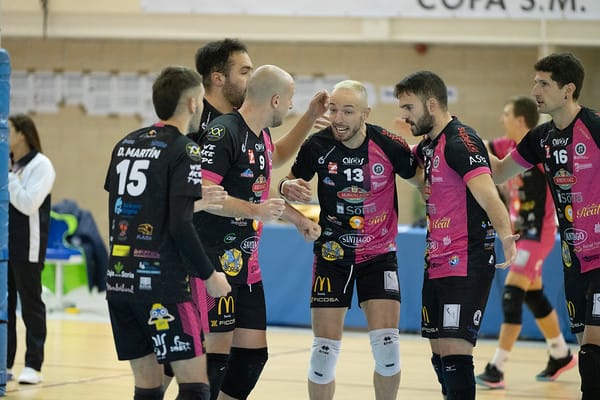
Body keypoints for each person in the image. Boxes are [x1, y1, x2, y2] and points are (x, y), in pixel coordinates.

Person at [194, 64, 329, 400]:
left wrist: (311, 116)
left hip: (247, 263)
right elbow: (204, 195)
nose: (291, 106)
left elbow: (277, 155)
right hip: (213, 258)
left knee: (253, 356)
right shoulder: (223, 132)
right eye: (291, 100)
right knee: (216, 356)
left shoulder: (261, 136)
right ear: (275, 100)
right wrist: (255, 210)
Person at [279, 80, 418, 400]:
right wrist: (289, 190)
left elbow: (424, 181)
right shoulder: (317, 145)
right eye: (333, 110)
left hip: (379, 254)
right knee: (323, 355)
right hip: (332, 255)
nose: (338, 118)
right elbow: (286, 184)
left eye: (348, 111)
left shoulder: (390, 144)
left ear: (366, 114)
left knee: (387, 351)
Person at [104, 65, 231, 400]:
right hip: (163, 283)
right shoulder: (185, 149)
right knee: (195, 386)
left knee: (147, 388)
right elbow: (178, 225)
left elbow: (132, 208)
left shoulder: (125, 143)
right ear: (192, 103)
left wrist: (194, 204)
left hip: (120, 280)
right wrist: (209, 275)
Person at [394, 70, 518, 400]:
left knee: (454, 352)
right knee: (439, 353)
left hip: (466, 261)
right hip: (436, 259)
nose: (404, 116)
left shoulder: (460, 140)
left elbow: (490, 194)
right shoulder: (430, 145)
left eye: (409, 108)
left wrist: (506, 238)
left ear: (431, 104)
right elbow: (416, 173)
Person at [491, 52, 600, 400]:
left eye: (543, 83)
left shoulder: (595, 127)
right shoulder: (540, 138)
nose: (534, 88)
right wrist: (456, 137)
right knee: (586, 349)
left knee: (594, 351)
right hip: (573, 258)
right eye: (535, 81)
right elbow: (498, 172)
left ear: (568, 89)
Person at [476, 96, 576, 389]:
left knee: (512, 293)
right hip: (517, 233)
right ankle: (560, 353)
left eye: (506, 114)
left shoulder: (545, 147)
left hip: (538, 234)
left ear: (520, 119)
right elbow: (478, 146)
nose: (501, 119)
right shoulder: (506, 148)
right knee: (534, 295)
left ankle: (497, 367)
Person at [7, 113, 56, 385]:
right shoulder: (12, 166)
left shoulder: (41, 165)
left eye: (9, 130)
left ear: (22, 133)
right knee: (5, 308)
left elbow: (27, 203)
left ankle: (33, 365)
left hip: (28, 245)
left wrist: (7, 176)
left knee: (31, 305)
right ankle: (5, 364)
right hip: (6, 248)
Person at [188, 38, 253, 141]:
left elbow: (272, 153)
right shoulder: (192, 122)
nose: (252, 79)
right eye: (244, 72)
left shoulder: (247, 119)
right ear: (218, 79)